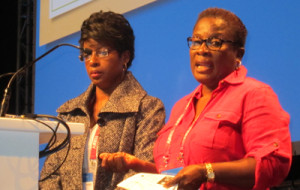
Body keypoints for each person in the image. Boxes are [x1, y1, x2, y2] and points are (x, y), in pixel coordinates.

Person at [99, 8, 292, 190]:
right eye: (197, 41)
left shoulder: (254, 93)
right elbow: (180, 176)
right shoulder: (181, 107)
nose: (202, 50)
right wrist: (137, 165)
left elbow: (273, 164)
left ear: (238, 54)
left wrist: (206, 171)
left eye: (215, 42)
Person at [39, 11, 166, 190]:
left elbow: (142, 176)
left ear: (125, 57)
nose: (93, 61)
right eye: (87, 53)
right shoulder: (69, 112)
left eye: (103, 52)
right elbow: (50, 176)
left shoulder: (147, 108)